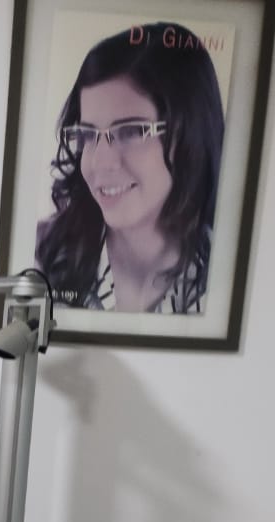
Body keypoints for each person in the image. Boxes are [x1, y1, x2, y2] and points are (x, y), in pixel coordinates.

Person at [36, 24, 224, 314]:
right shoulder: (41, 256)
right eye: (88, 134)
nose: (100, 162)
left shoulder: (232, 276)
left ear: (190, 135)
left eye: (132, 131)